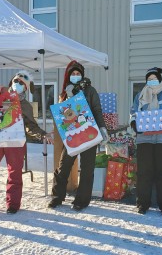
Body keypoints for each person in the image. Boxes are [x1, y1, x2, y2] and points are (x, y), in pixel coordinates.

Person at [0, 70, 53, 215]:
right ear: (11, 82)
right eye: (16, 81)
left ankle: (13, 205)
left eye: (22, 83)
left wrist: (43, 134)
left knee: (15, 174)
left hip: (15, 142)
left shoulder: (25, 105)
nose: (17, 84)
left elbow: (30, 126)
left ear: (26, 88)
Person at [48, 60, 109, 211]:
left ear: (82, 76)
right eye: (73, 74)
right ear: (69, 76)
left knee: (87, 169)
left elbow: (97, 110)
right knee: (63, 167)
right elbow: (61, 114)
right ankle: (57, 197)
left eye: (78, 74)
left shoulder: (90, 91)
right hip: (71, 135)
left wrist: (102, 128)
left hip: (89, 134)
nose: (75, 76)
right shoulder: (64, 93)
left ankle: (81, 200)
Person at [129, 67, 162, 217]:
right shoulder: (140, 95)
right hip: (144, 138)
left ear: (159, 79)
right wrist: (134, 123)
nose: (152, 81)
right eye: (149, 79)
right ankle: (142, 204)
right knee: (144, 172)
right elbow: (133, 111)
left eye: (154, 78)